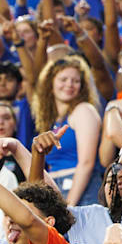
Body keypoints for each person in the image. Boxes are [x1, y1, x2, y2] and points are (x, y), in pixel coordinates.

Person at [32, 57, 102, 205]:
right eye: (63, 79)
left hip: (81, 191)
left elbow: (86, 163)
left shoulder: (83, 110)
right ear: (51, 83)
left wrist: (69, 205)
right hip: (54, 188)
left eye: (75, 81)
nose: (69, 84)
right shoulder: (51, 120)